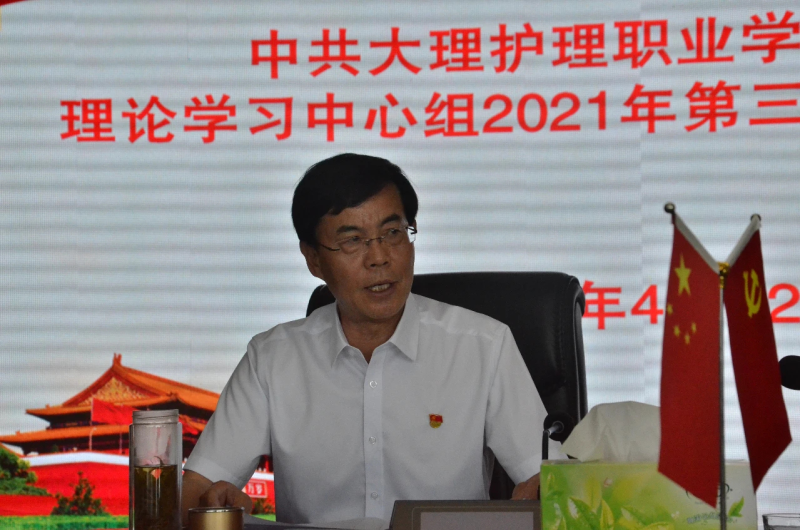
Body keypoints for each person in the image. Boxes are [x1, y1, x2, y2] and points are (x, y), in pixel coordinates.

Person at [181, 153, 547, 526]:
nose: (379, 258)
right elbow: (197, 490)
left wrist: (541, 493)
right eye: (352, 241)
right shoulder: (272, 359)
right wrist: (211, 501)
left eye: (393, 233)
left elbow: (551, 484)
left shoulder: (484, 346)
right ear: (313, 259)